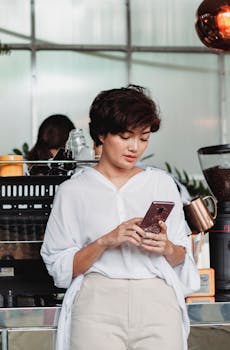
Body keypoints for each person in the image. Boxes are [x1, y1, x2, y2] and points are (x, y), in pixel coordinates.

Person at [41, 85, 200, 350]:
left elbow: (181, 256)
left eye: (144, 138)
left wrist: (167, 247)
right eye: (126, 136)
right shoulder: (73, 191)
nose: (135, 147)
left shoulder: (160, 184)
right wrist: (105, 242)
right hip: (96, 305)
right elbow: (59, 264)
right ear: (102, 134)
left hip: (157, 303)